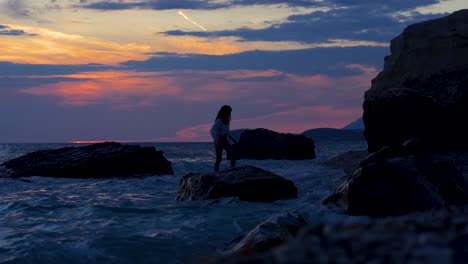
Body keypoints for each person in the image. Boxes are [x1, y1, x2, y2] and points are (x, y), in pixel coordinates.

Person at [210, 105, 237, 172]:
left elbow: (227, 133)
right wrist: (216, 139)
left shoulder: (227, 121)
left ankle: (232, 168)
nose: (229, 113)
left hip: (224, 139)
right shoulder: (219, 120)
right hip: (219, 140)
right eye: (229, 112)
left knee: (233, 153)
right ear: (225, 112)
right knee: (219, 158)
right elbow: (212, 130)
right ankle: (215, 172)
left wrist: (233, 140)